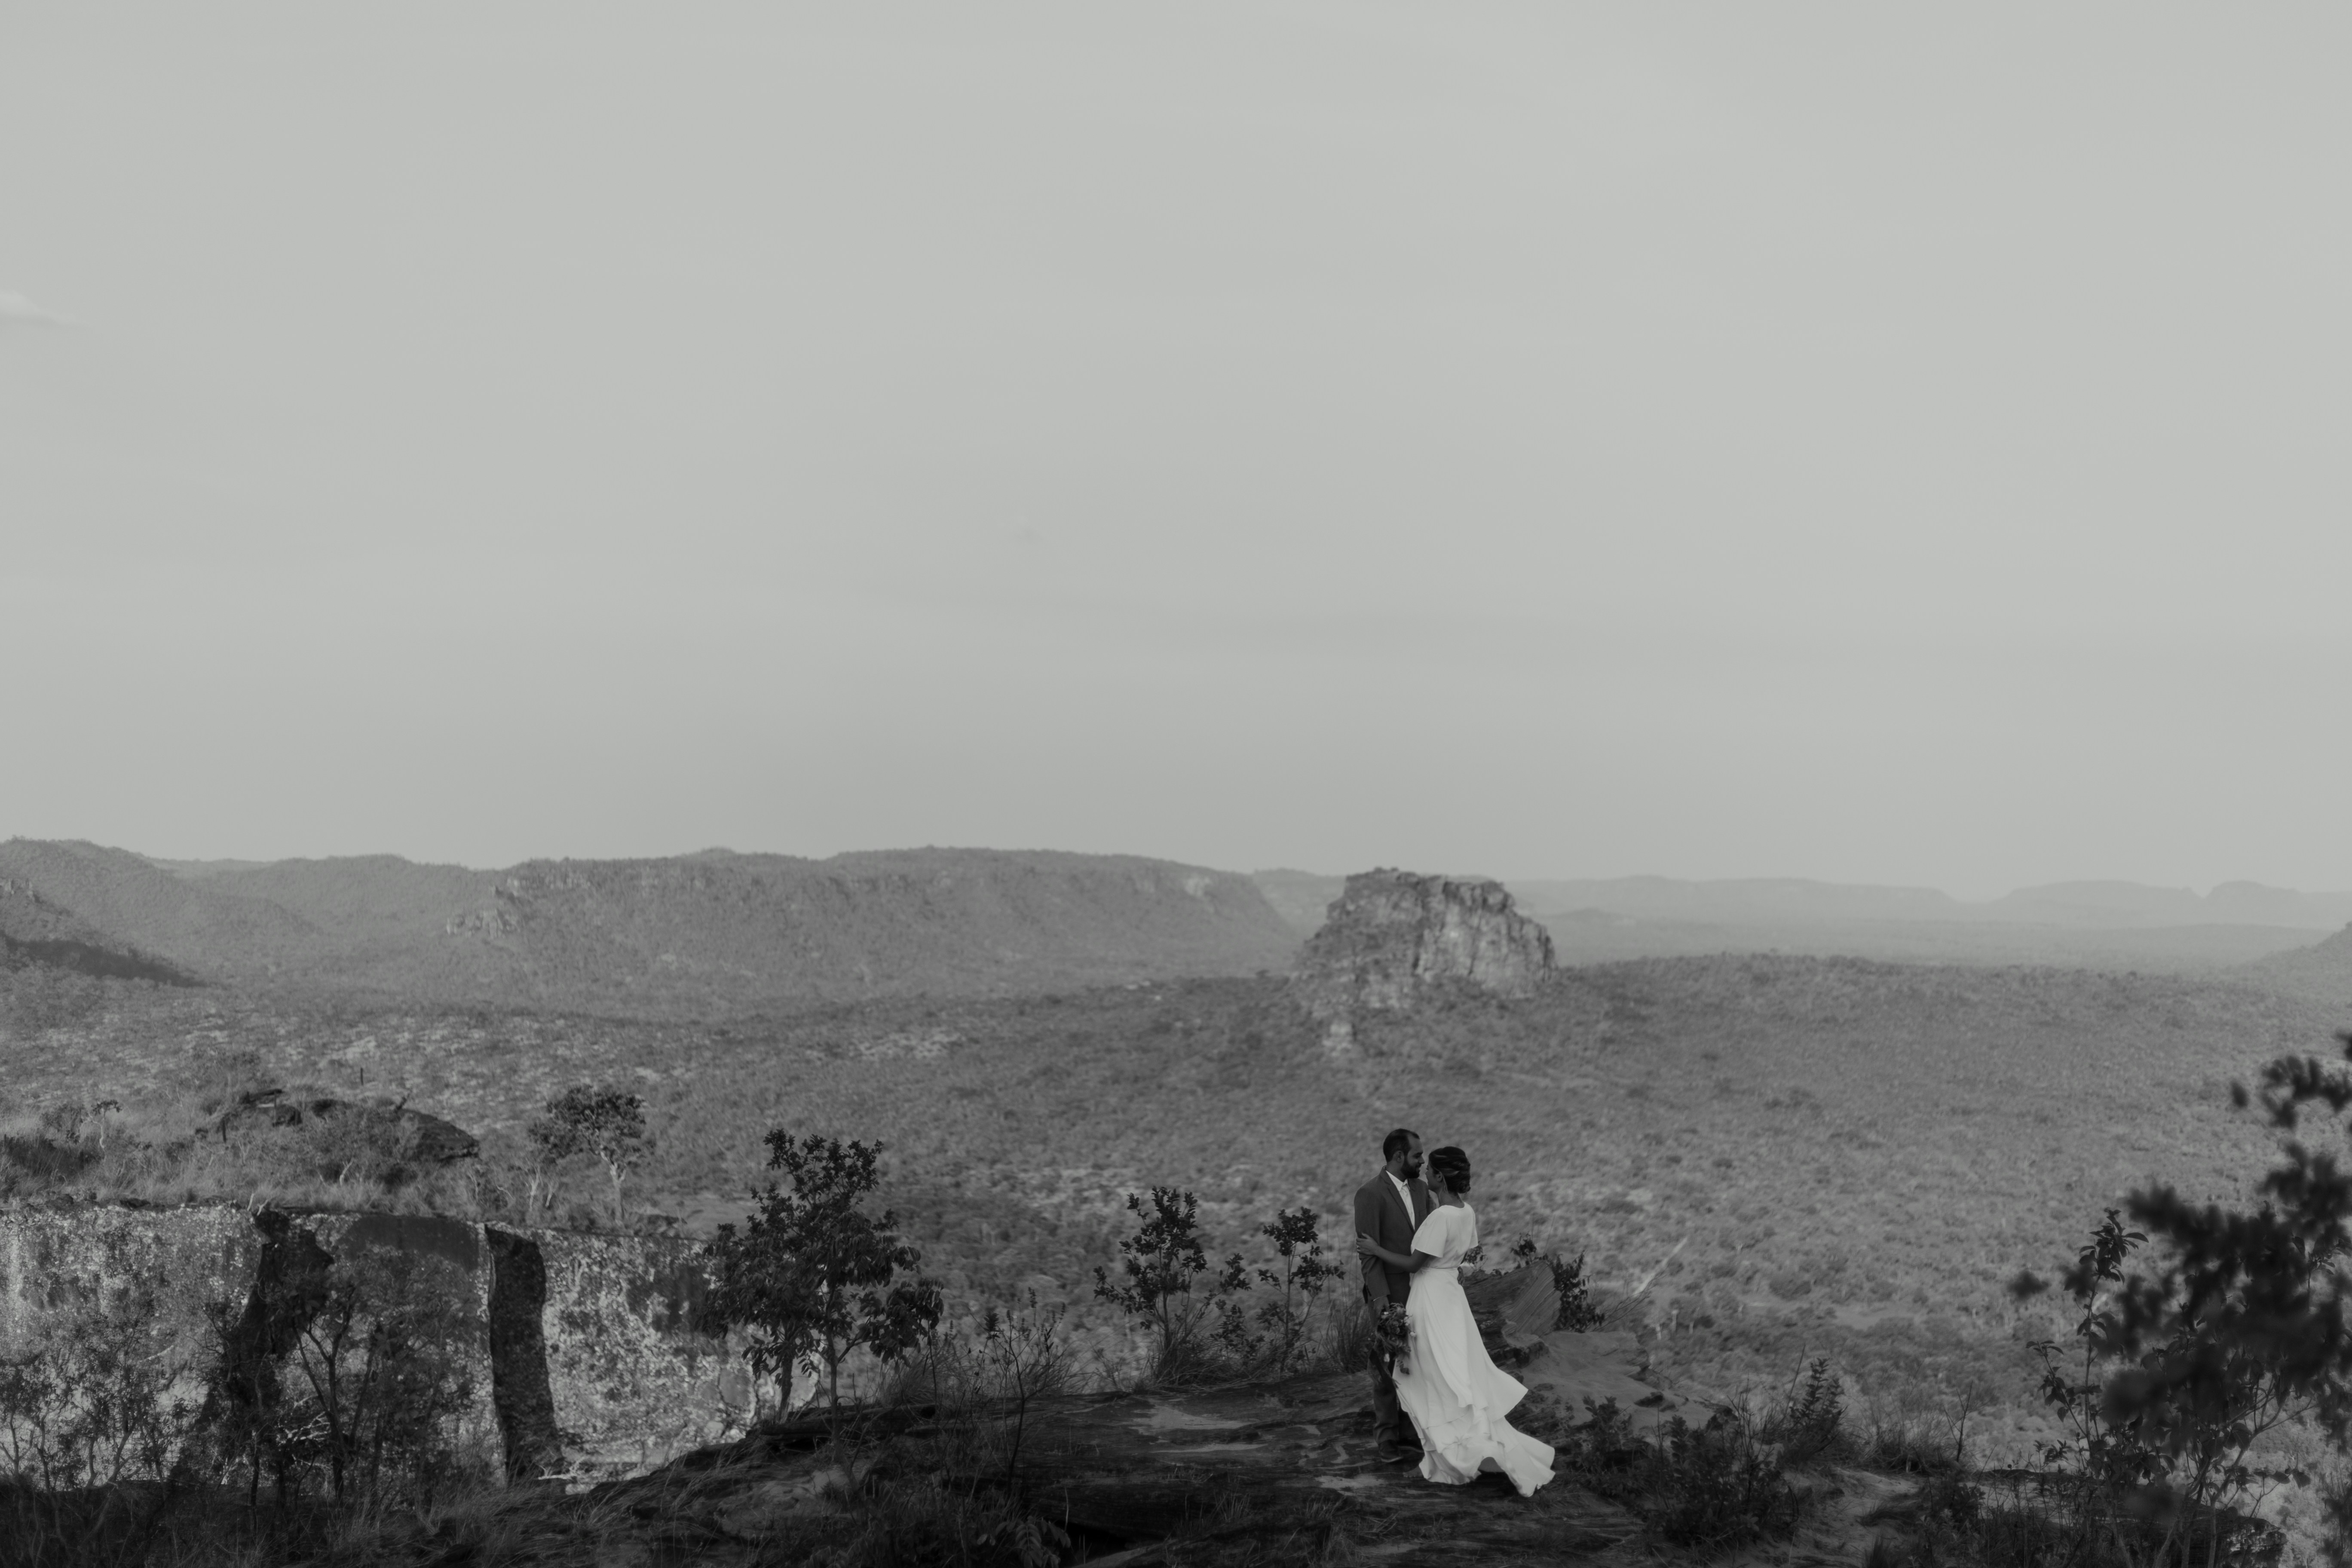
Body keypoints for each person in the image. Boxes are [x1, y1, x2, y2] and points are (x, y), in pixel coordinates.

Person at [1355, 1145, 1555, 1496]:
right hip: (1451, 1294)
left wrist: (1375, 1250)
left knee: (1430, 1369)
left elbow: (1414, 1264)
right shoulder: (1467, 1212)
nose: (1426, 1174)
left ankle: (1453, 1446)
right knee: (1453, 1368)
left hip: (1431, 1295)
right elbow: (1471, 1256)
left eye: (1431, 1170)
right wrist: (1456, 1270)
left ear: (1441, 1177)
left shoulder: (1441, 1216)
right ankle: (1450, 1436)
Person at [1351, 1127, 1428, 1463]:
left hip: (1423, 1292)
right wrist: (1380, 1299)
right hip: (1388, 1292)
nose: (1423, 1161)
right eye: (1417, 1156)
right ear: (1399, 1157)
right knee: (1386, 1365)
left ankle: (1411, 1432)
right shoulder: (1370, 1194)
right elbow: (1368, 1255)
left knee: (1418, 1363)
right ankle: (1386, 1438)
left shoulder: (1424, 1190)